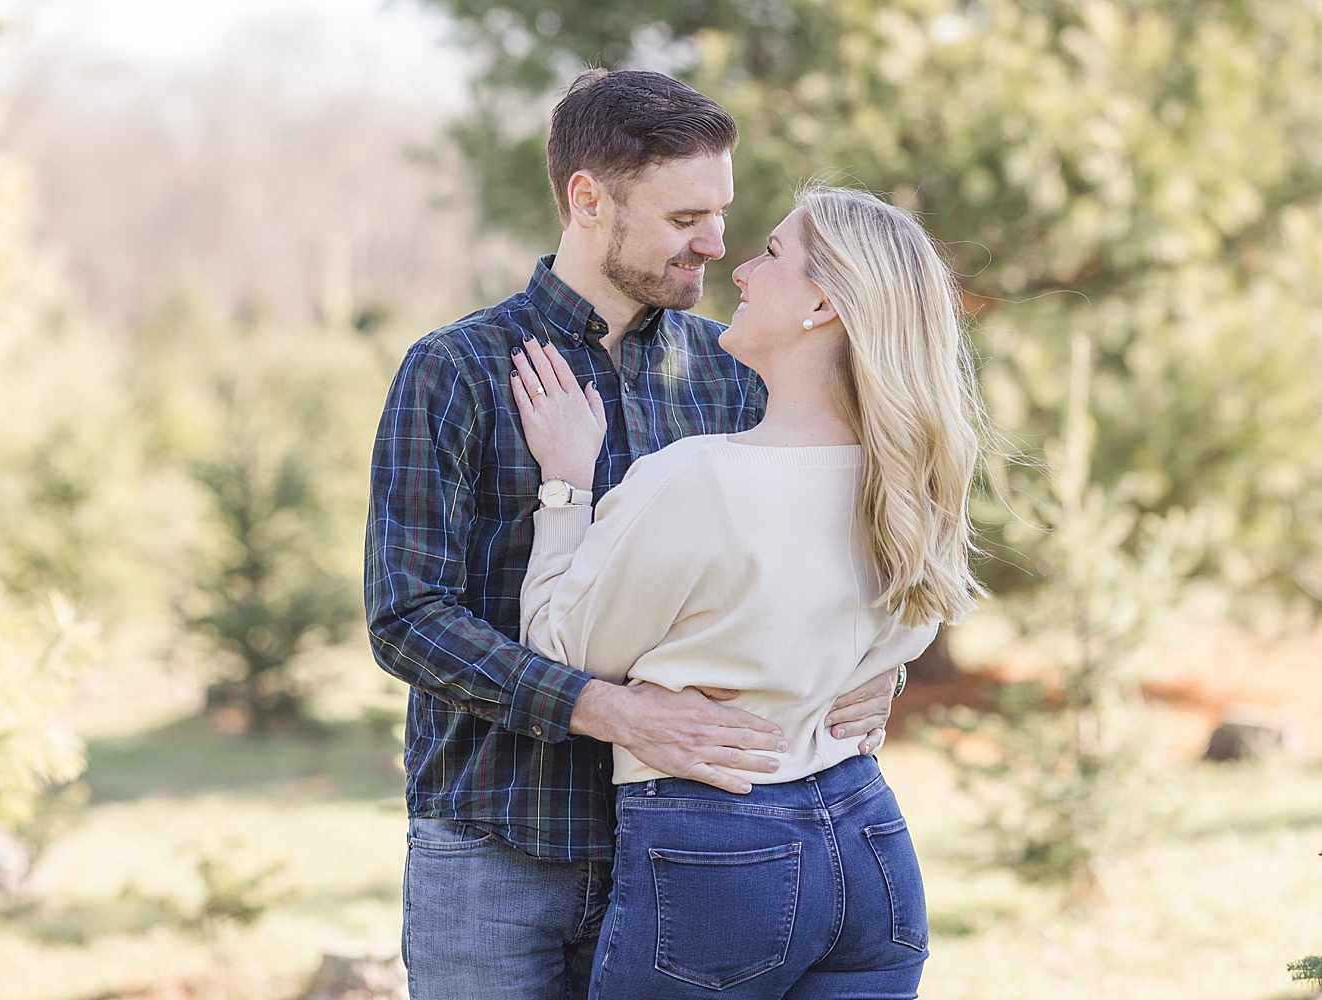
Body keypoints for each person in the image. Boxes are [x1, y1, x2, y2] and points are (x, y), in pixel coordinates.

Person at [365, 70, 900, 1000]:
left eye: (724, 213)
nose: (718, 243)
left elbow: (815, 555)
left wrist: (870, 664)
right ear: (587, 199)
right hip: (497, 850)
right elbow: (407, 616)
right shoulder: (456, 370)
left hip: (701, 850)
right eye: (686, 216)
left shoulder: (735, 374)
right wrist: (607, 709)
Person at [514, 184, 983, 998]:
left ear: (822, 307)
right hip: (869, 843)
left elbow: (561, 650)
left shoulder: (701, 479)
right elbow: (886, 643)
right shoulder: (913, 480)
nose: (739, 268)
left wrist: (565, 485)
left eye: (770, 253)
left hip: (720, 849)